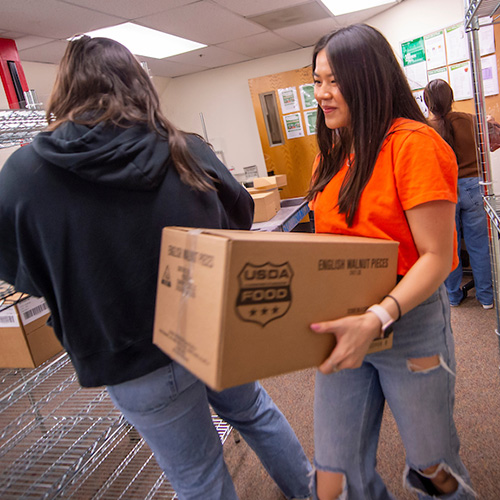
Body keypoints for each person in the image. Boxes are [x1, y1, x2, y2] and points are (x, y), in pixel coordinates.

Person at [0, 36, 312, 500]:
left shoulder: (24, 175)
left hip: (126, 354)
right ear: (138, 84)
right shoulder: (184, 148)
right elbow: (242, 213)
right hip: (207, 327)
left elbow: (18, 270)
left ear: (63, 90)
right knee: (255, 413)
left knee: (199, 476)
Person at [307, 25, 475, 499]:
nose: (322, 94)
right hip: (345, 321)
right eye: (317, 81)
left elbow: (438, 258)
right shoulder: (331, 157)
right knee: (334, 473)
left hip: (409, 320)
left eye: (333, 80)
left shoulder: (413, 145)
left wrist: (379, 317)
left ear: (368, 78)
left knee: (432, 466)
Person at [424, 78, 494, 309]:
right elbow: (493, 137)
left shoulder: (424, 129)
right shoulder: (470, 120)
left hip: (443, 192)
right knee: (479, 245)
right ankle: (486, 298)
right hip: (474, 188)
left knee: (448, 247)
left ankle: (453, 297)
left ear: (427, 102)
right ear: (452, 99)